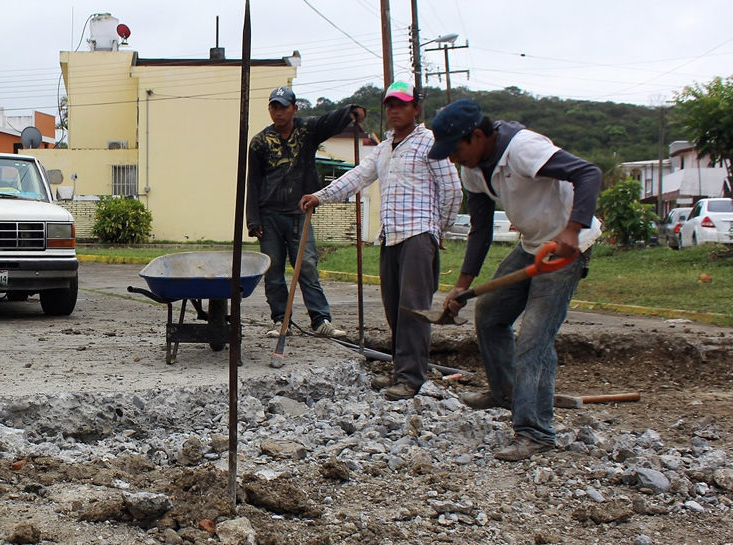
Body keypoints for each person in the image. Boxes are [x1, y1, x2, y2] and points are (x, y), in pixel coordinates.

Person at [428, 98, 602, 461]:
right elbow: (480, 230)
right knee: (490, 315)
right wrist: (462, 284)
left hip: (567, 245)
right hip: (533, 244)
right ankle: (505, 392)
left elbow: (589, 173)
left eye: (456, 150)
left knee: (534, 338)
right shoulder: (473, 169)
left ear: (477, 136)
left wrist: (572, 231)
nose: (453, 159)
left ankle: (536, 430)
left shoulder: (524, 149)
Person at [300, 81, 462, 400]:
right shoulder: (385, 148)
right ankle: (403, 372)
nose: (394, 110)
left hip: (418, 234)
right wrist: (320, 196)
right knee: (393, 307)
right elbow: (357, 177)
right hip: (390, 237)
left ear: (415, 108)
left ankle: (411, 378)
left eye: (401, 104)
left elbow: (453, 190)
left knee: (413, 309)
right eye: (389, 104)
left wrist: (437, 229)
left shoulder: (430, 142)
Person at [247, 86, 365, 339]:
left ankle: (320, 319)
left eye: (283, 107)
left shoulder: (307, 130)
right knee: (274, 270)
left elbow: (328, 122)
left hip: (300, 211)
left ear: (294, 108)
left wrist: (350, 112)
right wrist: (253, 219)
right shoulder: (259, 142)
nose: (278, 112)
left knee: (307, 265)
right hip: (269, 214)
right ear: (269, 109)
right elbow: (253, 182)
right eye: (274, 107)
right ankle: (281, 320)